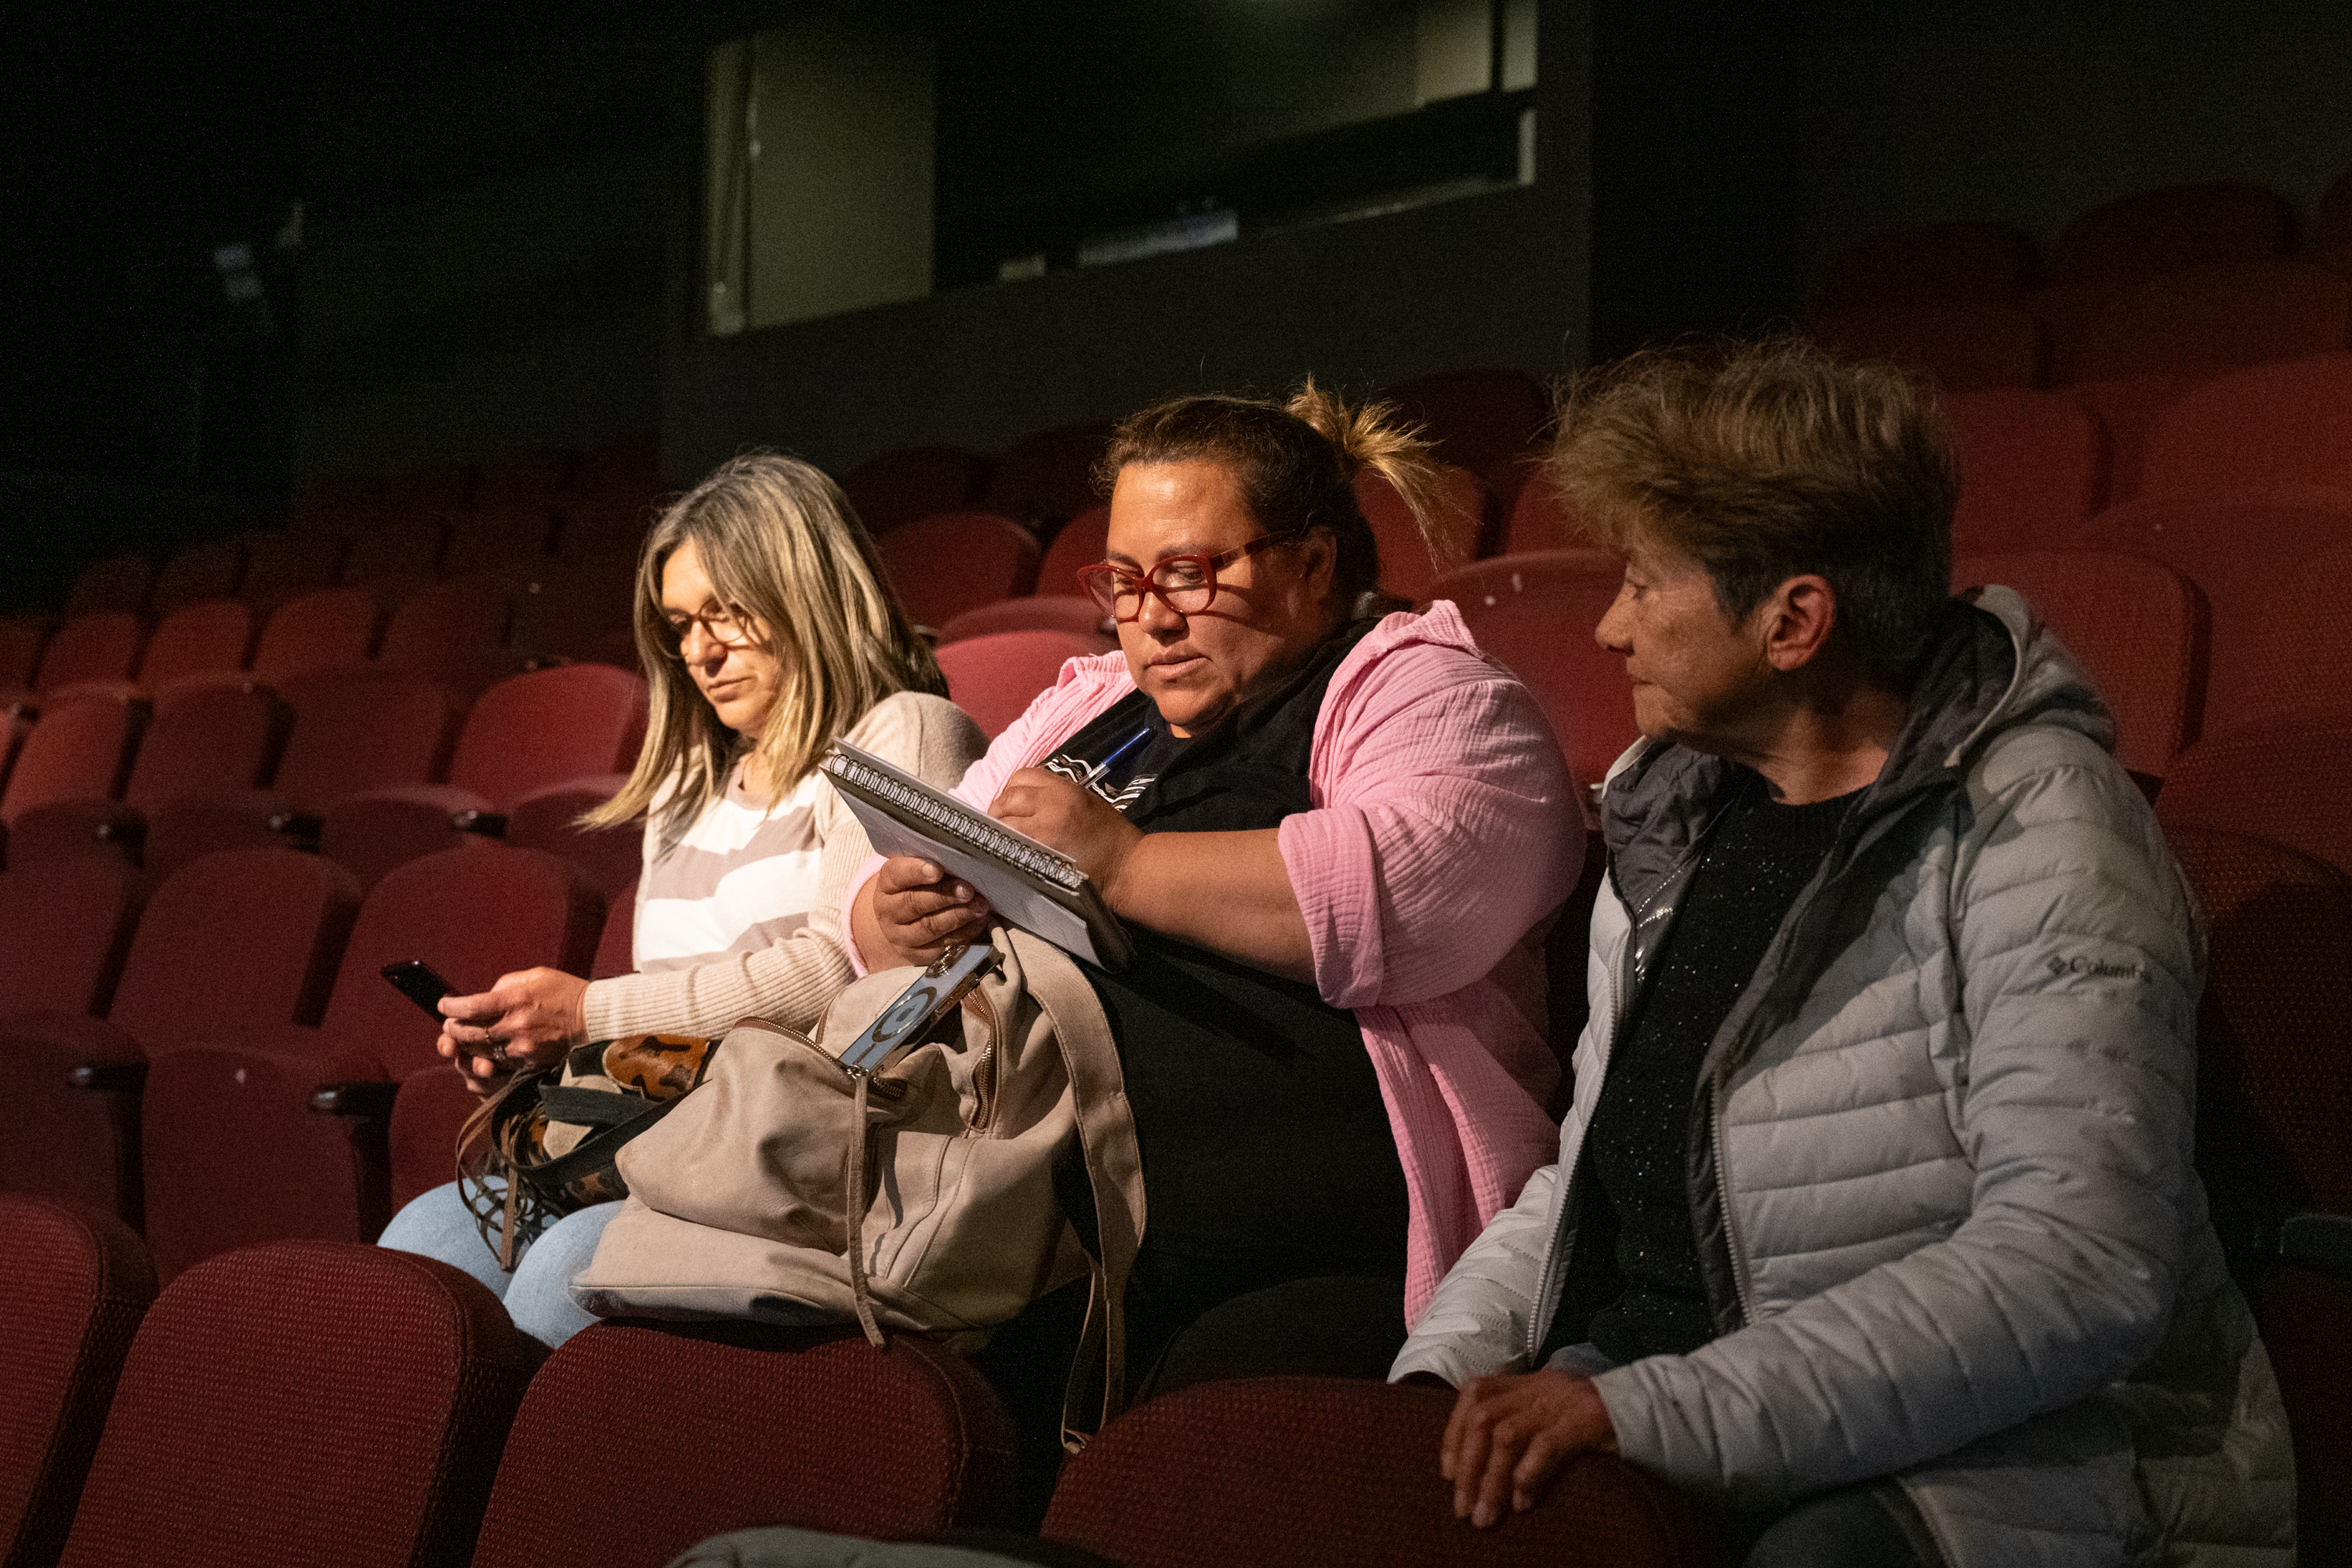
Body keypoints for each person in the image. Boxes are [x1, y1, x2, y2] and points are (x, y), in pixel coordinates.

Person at [1391, 341, 2295, 1566]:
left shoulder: (2044, 834)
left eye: (1644, 585)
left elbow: (2077, 1269)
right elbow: (1585, 1181)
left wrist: (1647, 1413)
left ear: (1794, 622)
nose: (1609, 628)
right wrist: (1435, 1381)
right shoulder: (1682, 819)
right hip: (1662, 1389)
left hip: (2010, 1457)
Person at [850, 383, 1583, 1392]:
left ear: (1312, 563)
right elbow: (913, 869)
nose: (1150, 618)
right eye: (1124, 580)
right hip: (1027, 1222)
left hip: (1310, 1258)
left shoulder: (1428, 691)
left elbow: (1411, 893)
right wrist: (894, 912)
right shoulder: (1094, 706)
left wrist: (1122, 864)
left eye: (1189, 573)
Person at [379, 453, 986, 1346]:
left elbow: (859, 973)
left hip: (811, 1156)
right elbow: (666, 1025)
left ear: (806, 591)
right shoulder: (685, 789)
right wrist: (538, 1048)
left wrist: (587, 1012)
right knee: (418, 1251)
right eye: (680, 626)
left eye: (727, 612)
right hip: (665, 1143)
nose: (701, 652)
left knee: (564, 1274)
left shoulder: (904, 730)